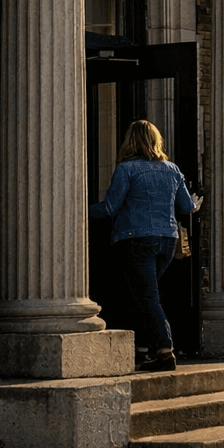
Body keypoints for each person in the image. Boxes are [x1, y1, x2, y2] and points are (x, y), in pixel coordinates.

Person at [89, 119, 199, 373]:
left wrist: (78, 208)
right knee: (141, 295)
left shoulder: (127, 169)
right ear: (156, 140)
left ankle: (165, 351)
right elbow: (186, 207)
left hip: (136, 239)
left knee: (146, 297)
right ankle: (143, 347)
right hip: (167, 242)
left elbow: (108, 208)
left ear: (130, 140)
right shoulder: (173, 169)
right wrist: (196, 203)